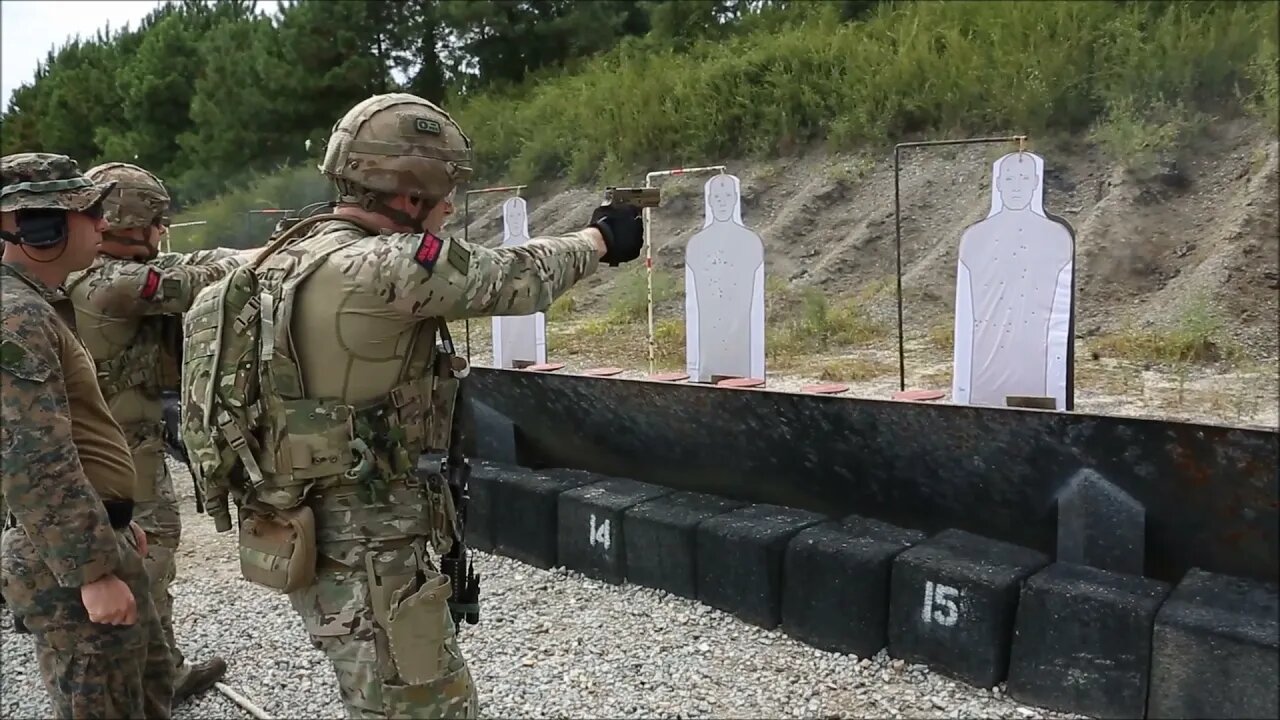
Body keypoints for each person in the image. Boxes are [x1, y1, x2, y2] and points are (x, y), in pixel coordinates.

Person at [181, 92, 645, 719]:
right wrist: (599, 239)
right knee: (423, 706)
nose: (449, 206)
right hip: (369, 541)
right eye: (444, 190)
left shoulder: (282, 258)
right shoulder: (386, 265)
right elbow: (515, 277)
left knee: (378, 693)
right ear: (409, 191)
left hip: (311, 524)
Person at [63, 161, 257, 704]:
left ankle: (161, 669)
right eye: (155, 223)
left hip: (107, 438)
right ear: (137, 224)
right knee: (148, 551)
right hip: (119, 448)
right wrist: (234, 256)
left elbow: (183, 264)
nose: (160, 233)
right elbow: (207, 277)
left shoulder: (84, 271)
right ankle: (141, 678)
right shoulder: (113, 282)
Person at [0, 151, 174, 719]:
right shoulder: (14, 317)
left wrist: (117, 527)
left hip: (93, 538)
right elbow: (33, 458)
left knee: (145, 693)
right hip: (69, 564)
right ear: (38, 228)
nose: (103, 224)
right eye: (87, 211)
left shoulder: (32, 306)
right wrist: (92, 572)